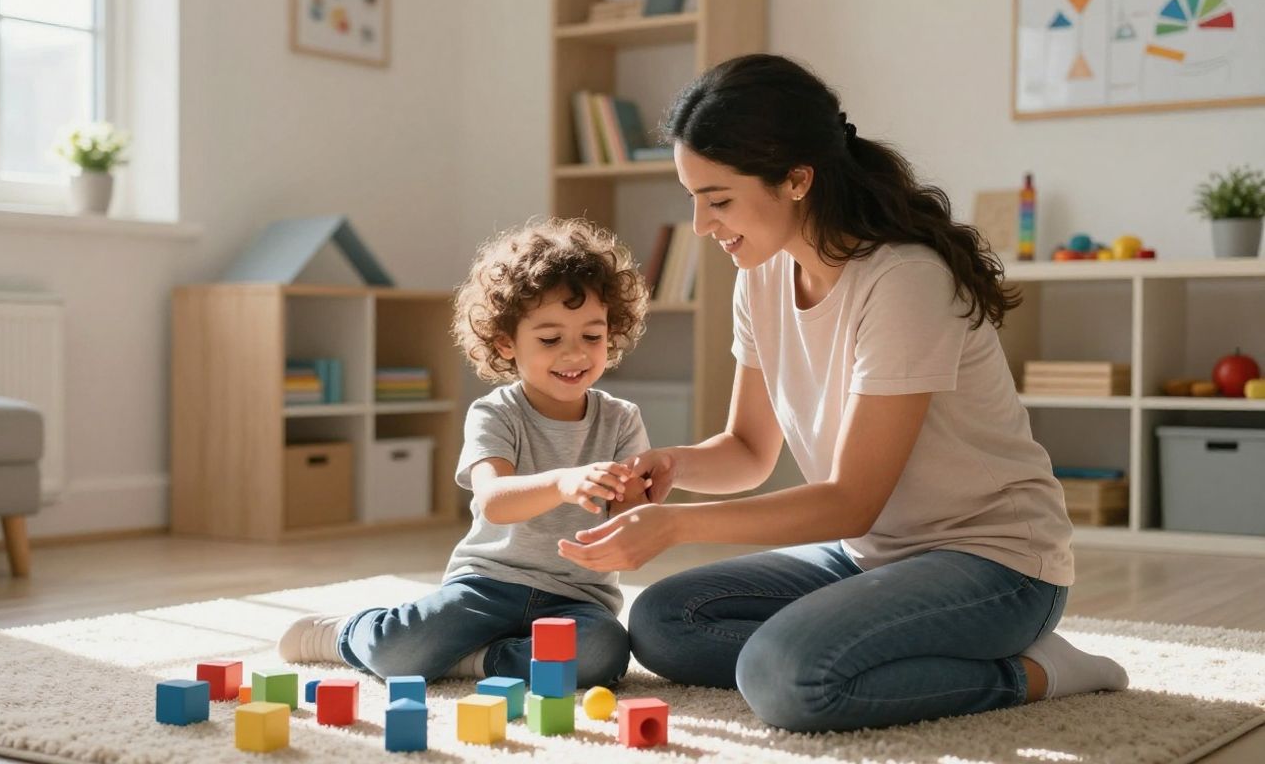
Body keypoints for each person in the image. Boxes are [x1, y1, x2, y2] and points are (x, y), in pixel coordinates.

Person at [557, 54, 1128, 732]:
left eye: (718, 200)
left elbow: (852, 501)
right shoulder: (762, 278)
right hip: (873, 556)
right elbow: (746, 449)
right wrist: (674, 468)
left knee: (785, 676)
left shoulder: (904, 282)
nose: (703, 226)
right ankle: (885, 645)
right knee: (663, 621)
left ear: (798, 179)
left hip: (996, 563)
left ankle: (1036, 669)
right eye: (694, 199)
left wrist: (677, 526)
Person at [279, 217, 651, 687]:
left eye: (592, 336)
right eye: (551, 339)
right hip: (487, 585)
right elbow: (494, 501)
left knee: (604, 655)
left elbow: (630, 524)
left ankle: (473, 662)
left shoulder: (621, 419)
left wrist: (636, 501)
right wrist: (563, 483)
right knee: (398, 652)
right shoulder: (496, 412)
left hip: (578, 599)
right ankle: (340, 635)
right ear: (506, 342)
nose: (575, 354)